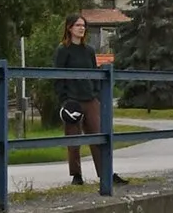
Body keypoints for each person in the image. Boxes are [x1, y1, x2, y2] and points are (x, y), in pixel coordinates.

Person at [53, 14, 123, 186]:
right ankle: (76, 175)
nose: (81, 28)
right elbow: (58, 77)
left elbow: (95, 73)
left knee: (100, 136)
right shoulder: (63, 50)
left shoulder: (89, 50)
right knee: (73, 139)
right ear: (69, 28)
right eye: (78, 25)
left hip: (90, 98)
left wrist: (97, 94)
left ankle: (106, 172)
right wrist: (64, 101)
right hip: (72, 100)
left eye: (83, 25)